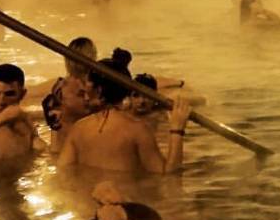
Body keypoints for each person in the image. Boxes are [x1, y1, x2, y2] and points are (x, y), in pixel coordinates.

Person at [58, 51, 191, 174]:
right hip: (126, 197)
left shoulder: (78, 129)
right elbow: (168, 174)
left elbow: (63, 171)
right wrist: (177, 130)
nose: (85, 94)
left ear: (98, 91)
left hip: (87, 197)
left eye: (87, 87)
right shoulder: (137, 130)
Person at [40, 35, 97, 153]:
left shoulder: (61, 87)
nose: (86, 98)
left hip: (65, 146)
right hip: (80, 146)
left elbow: (55, 127)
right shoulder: (95, 86)